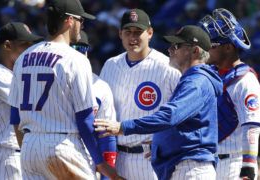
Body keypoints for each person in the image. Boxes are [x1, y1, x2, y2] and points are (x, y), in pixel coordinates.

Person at [8, 0, 122, 179]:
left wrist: (29, 148)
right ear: (69, 20)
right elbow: (84, 120)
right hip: (62, 144)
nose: (81, 25)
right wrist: (100, 163)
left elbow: (15, 115)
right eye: (80, 21)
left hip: (29, 145)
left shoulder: (23, 57)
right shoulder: (75, 59)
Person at [95, 25, 223, 180]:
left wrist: (123, 127)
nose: (170, 49)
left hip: (191, 168)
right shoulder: (192, 80)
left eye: (177, 46)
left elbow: (169, 116)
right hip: (185, 166)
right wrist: (160, 143)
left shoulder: (197, 82)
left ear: (195, 51)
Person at [99, 8, 181, 180]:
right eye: (128, 32)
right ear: (120, 34)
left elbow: (183, 113)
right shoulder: (110, 65)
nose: (132, 37)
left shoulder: (168, 67)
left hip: (152, 158)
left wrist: (168, 140)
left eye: (138, 32)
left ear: (150, 33)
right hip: (118, 157)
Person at [199, 8, 260, 180]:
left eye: (212, 45)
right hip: (208, 162)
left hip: (234, 164)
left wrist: (249, 167)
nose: (206, 49)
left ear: (228, 47)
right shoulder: (211, 74)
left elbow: (252, 127)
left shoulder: (246, 81)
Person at [0, 22, 42, 180]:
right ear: (7, 45)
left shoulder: (19, 74)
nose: (30, 49)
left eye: (31, 44)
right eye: (24, 44)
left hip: (19, 155)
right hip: (6, 156)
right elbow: (32, 101)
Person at [71, 30, 118, 179]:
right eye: (74, 48)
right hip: (55, 152)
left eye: (82, 48)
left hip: (89, 161)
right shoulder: (50, 81)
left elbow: (107, 135)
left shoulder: (100, 86)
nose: (78, 53)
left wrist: (107, 175)